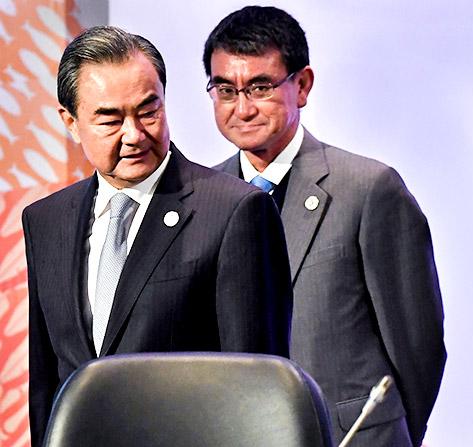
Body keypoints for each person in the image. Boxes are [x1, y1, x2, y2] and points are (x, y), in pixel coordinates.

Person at [23, 26, 292, 446]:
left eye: (149, 111)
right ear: (71, 122)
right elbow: (46, 383)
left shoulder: (233, 212)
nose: (134, 134)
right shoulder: (46, 220)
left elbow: (258, 390)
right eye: (110, 119)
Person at [203, 6, 446, 446]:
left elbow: (418, 349)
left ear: (302, 85)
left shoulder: (368, 189)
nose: (242, 107)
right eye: (225, 90)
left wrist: (394, 435)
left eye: (260, 87)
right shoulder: (203, 199)